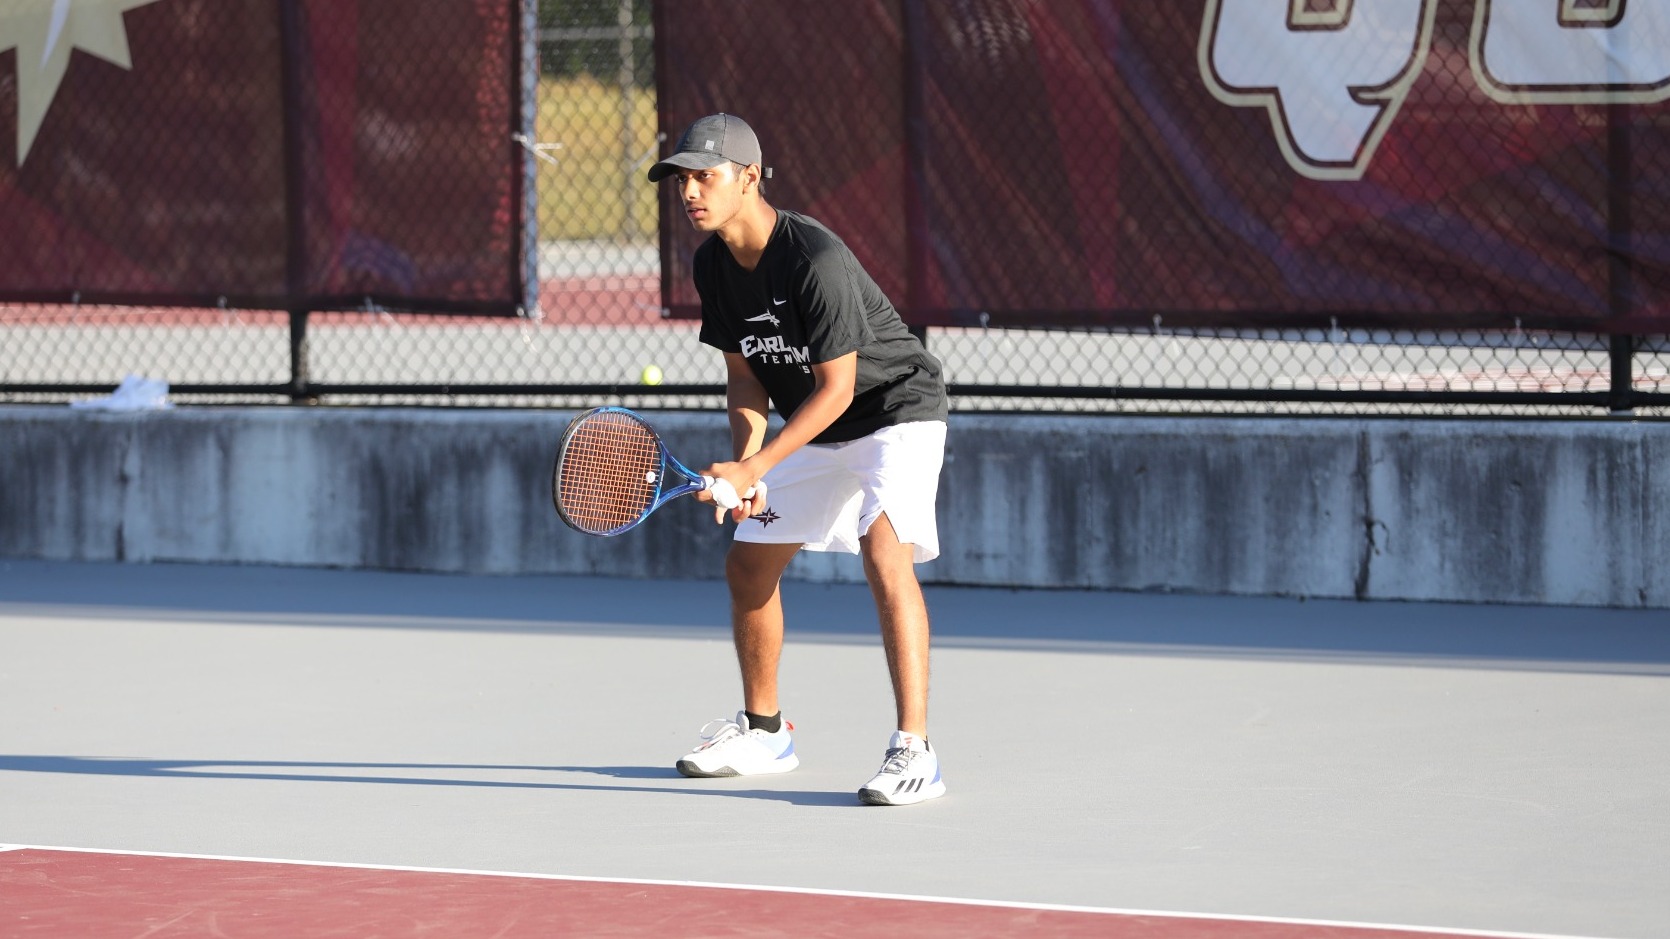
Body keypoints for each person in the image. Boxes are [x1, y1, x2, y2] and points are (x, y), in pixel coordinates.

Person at [647, 113, 950, 806]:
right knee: (748, 560)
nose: (691, 191)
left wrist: (757, 470)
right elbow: (747, 377)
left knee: (883, 549)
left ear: (749, 177)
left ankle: (915, 750)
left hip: (896, 411)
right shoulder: (712, 263)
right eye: (683, 179)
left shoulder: (813, 257)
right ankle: (764, 731)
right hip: (817, 425)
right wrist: (745, 462)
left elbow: (839, 387)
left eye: (706, 176)